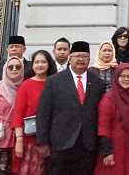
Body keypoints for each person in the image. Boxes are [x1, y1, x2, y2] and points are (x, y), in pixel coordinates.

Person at [36, 40, 105, 175]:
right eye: (77, 56)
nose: (80, 59)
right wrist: (42, 141)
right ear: (70, 58)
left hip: (87, 145)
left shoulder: (97, 82)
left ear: (89, 59)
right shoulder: (54, 81)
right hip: (60, 143)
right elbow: (43, 113)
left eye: (84, 56)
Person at [11, 50, 56, 175]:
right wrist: (19, 140)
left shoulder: (55, 83)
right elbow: (18, 113)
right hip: (28, 138)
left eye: (43, 62)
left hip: (51, 138)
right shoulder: (26, 85)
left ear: (49, 64)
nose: (40, 65)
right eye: (36, 62)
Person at [95, 63, 129, 175]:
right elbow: (103, 126)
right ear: (116, 77)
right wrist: (107, 152)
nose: (126, 79)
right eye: (122, 76)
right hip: (114, 147)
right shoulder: (109, 98)